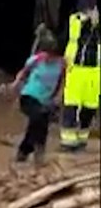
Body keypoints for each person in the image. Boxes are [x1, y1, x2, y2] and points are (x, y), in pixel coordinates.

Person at [12, 34, 66, 165]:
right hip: (29, 95)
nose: (48, 57)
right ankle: (39, 151)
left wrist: (59, 96)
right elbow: (23, 72)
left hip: (46, 100)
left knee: (39, 124)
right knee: (38, 116)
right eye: (46, 53)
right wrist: (16, 84)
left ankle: (24, 151)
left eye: (51, 55)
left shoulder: (62, 64)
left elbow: (62, 81)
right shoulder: (36, 60)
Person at [59, 0, 100, 152]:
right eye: (84, 10)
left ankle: (82, 139)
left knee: (90, 107)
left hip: (94, 72)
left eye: (89, 10)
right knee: (71, 104)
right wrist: (89, 21)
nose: (86, 13)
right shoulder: (74, 20)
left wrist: (96, 23)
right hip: (75, 68)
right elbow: (78, 33)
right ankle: (68, 142)